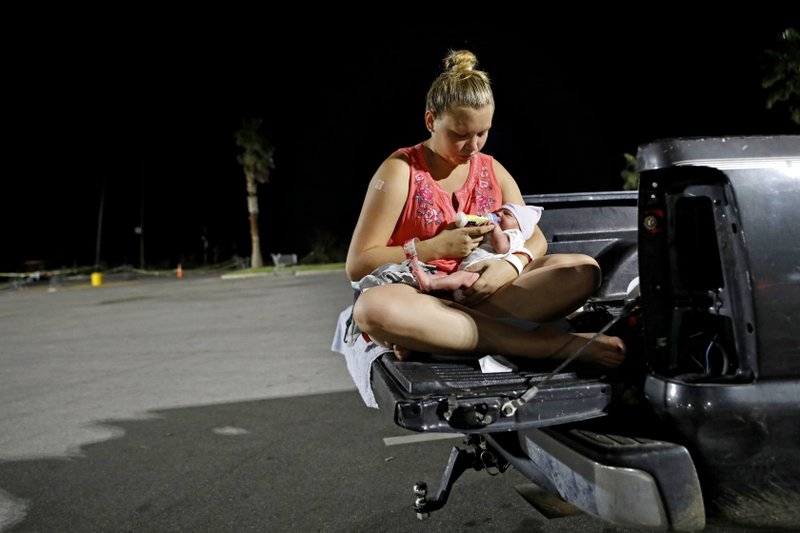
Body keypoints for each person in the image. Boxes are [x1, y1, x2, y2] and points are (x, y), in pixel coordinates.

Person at [332, 49, 625, 408]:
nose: (473, 147)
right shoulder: (400, 170)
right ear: (430, 120)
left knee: (583, 271)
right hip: (419, 299)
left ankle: (437, 342)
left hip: (484, 295)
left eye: (483, 133)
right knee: (372, 309)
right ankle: (556, 346)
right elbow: (358, 264)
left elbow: (535, 238)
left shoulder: (492, 168)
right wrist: (434, 248)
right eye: (460, 134)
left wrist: (510, 265)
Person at [407, 202, 542, 296]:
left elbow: (502, 247)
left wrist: (496, 229)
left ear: (520, 226)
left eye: (507, 214)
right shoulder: (496, 232)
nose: (499, 214)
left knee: (460, 277)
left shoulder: (515, 235)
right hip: (468, 269)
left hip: (478, 276)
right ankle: (426, 279)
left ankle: (430, 284)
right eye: (499, 211)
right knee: (447, 277)